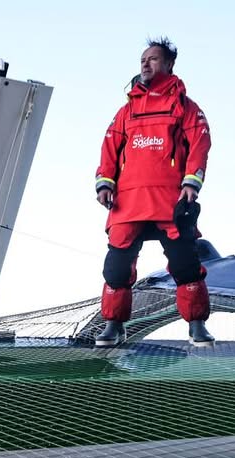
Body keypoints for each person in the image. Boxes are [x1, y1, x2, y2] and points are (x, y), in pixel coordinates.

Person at [93, 37, 214, 347]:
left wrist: (191, 182)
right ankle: (113, 325)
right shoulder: (126, 110)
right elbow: (109, 147)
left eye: (153, 59)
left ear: (169, 64)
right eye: (143, 60)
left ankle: (197, 325)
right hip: (128, 202)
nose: (146, 64)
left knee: (185, 264)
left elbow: (200, 144)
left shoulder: (187, 108)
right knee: (116, 268)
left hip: (170, 200)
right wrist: (105, 182)